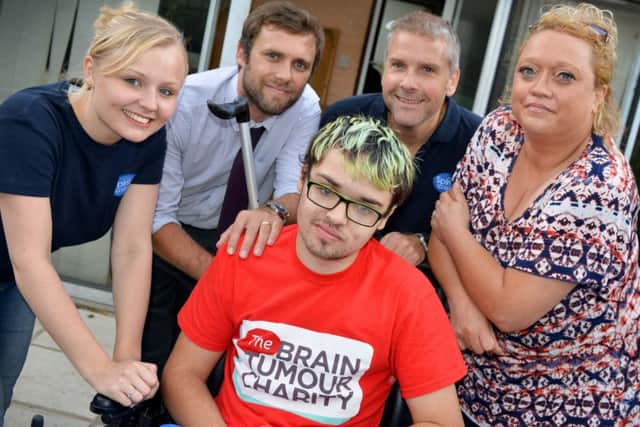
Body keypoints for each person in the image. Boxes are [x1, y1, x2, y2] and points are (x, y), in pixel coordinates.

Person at [161, 116, 467, 426]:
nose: (336, 216)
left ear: (385, 217)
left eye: (364, 207)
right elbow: (183, 376)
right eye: (326, 190)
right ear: (302, 178)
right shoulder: (245, 255)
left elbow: (441, 421)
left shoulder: (409, 295)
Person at [429, 3, 639, 426]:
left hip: (567, 406)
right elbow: (437, 237)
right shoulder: (499, 130)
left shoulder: (601, 190)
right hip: (472, 386)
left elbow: (509, 308)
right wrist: (463, 302)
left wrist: (457, 232)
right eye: (528, 71)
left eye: (565, 76)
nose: (539, 87)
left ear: (599, 94)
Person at [0, 3, 188, 424]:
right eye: (132, 80)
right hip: (20, 268)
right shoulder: (30, 121)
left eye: (167, 91)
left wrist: (126, 361)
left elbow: (133, 248)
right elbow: (30, 259)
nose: (149, 104)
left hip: (10, 281)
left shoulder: (146, 138)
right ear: (92, 69)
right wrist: (99, 369)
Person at [142, 1, 324, 376]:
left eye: (300, 65)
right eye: (273, 56)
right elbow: (156, 221)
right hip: (173, 241)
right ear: (242, 54)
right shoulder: (186, 103)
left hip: (242, 239)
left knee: (222, 376)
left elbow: (293, 193)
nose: (285, 75)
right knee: (152, 370)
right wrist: (224, 281)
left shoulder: (305, 107)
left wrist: (272, 211)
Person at [321, 11, 481, 267]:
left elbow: (485, 234)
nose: (408, 83)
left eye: (427, 70)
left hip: (416, 293)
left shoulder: (480, 143)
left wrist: (424, 243)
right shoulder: (341, 118)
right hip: (332, 272)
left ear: (452, 81)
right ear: (384, 70)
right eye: (398, 65)